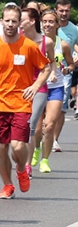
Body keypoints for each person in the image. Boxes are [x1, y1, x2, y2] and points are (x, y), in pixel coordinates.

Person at [0, 4, 50, 199]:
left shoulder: (28, 45)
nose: (10, 24)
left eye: (14, 21)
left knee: (17, 146)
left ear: (19, 23)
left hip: (21, 102)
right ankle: (7, 185)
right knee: (0, 147)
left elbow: (45, 68)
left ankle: (21, 168)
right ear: (1, 21)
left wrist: (35, 86)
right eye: (7, 20)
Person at [37, 9, 75, 172]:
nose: (47, 24)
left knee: (50, 124)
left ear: (58, 24)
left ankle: (44, 160)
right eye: (45, 21)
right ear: (40, 23)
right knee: (37, 128)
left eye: (51, 21)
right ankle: (36, 150)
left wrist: (68, 69)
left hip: (56, 88)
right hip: (38, 87)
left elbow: (71, 63)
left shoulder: (63, 44)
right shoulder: (35, 42)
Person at [20, 6, 54, 178]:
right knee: (20, 126)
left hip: (39, 87)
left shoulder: (46, 42)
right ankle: (22, 158)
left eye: (22, 19)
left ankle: (27, 166)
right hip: (18, 87)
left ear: (32, 21)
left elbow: (51, 63)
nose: (18, 23)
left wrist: (53, 72)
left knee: (31, 125)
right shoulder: (17, 40)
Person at [53, 0, 78, 150]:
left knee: (62, 105)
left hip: (65, 72)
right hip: (45, 71)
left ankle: (55, 139)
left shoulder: (74, 29)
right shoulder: (46, 26)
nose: (64, 13)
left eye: (67, 10)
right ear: (56, 10)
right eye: (61, 10)